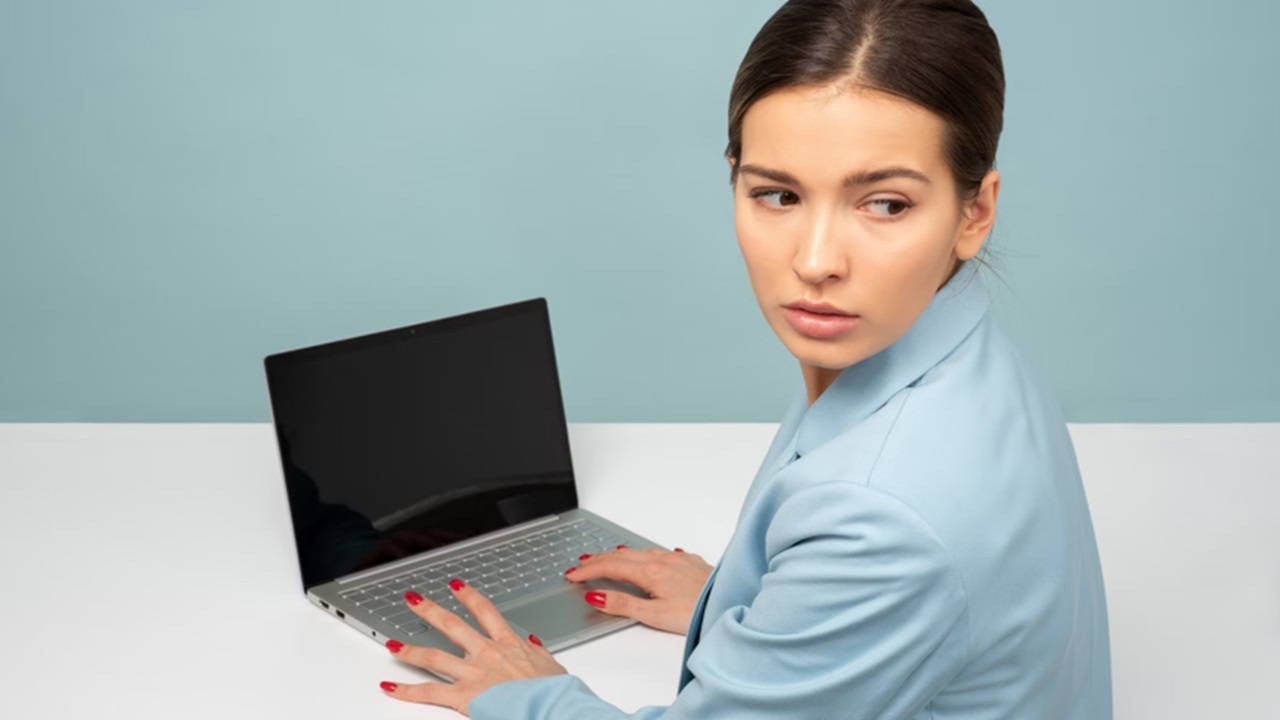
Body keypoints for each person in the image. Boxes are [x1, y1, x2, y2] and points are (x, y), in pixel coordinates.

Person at [373, 0, 1112, 716]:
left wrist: (528, 693)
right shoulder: (960, 347)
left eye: (884, 204)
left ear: (974, 212)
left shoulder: (878, 519)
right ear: (735, 177)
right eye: (778, 194)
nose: (816, 261)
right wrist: (747, 605)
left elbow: (898, 535)